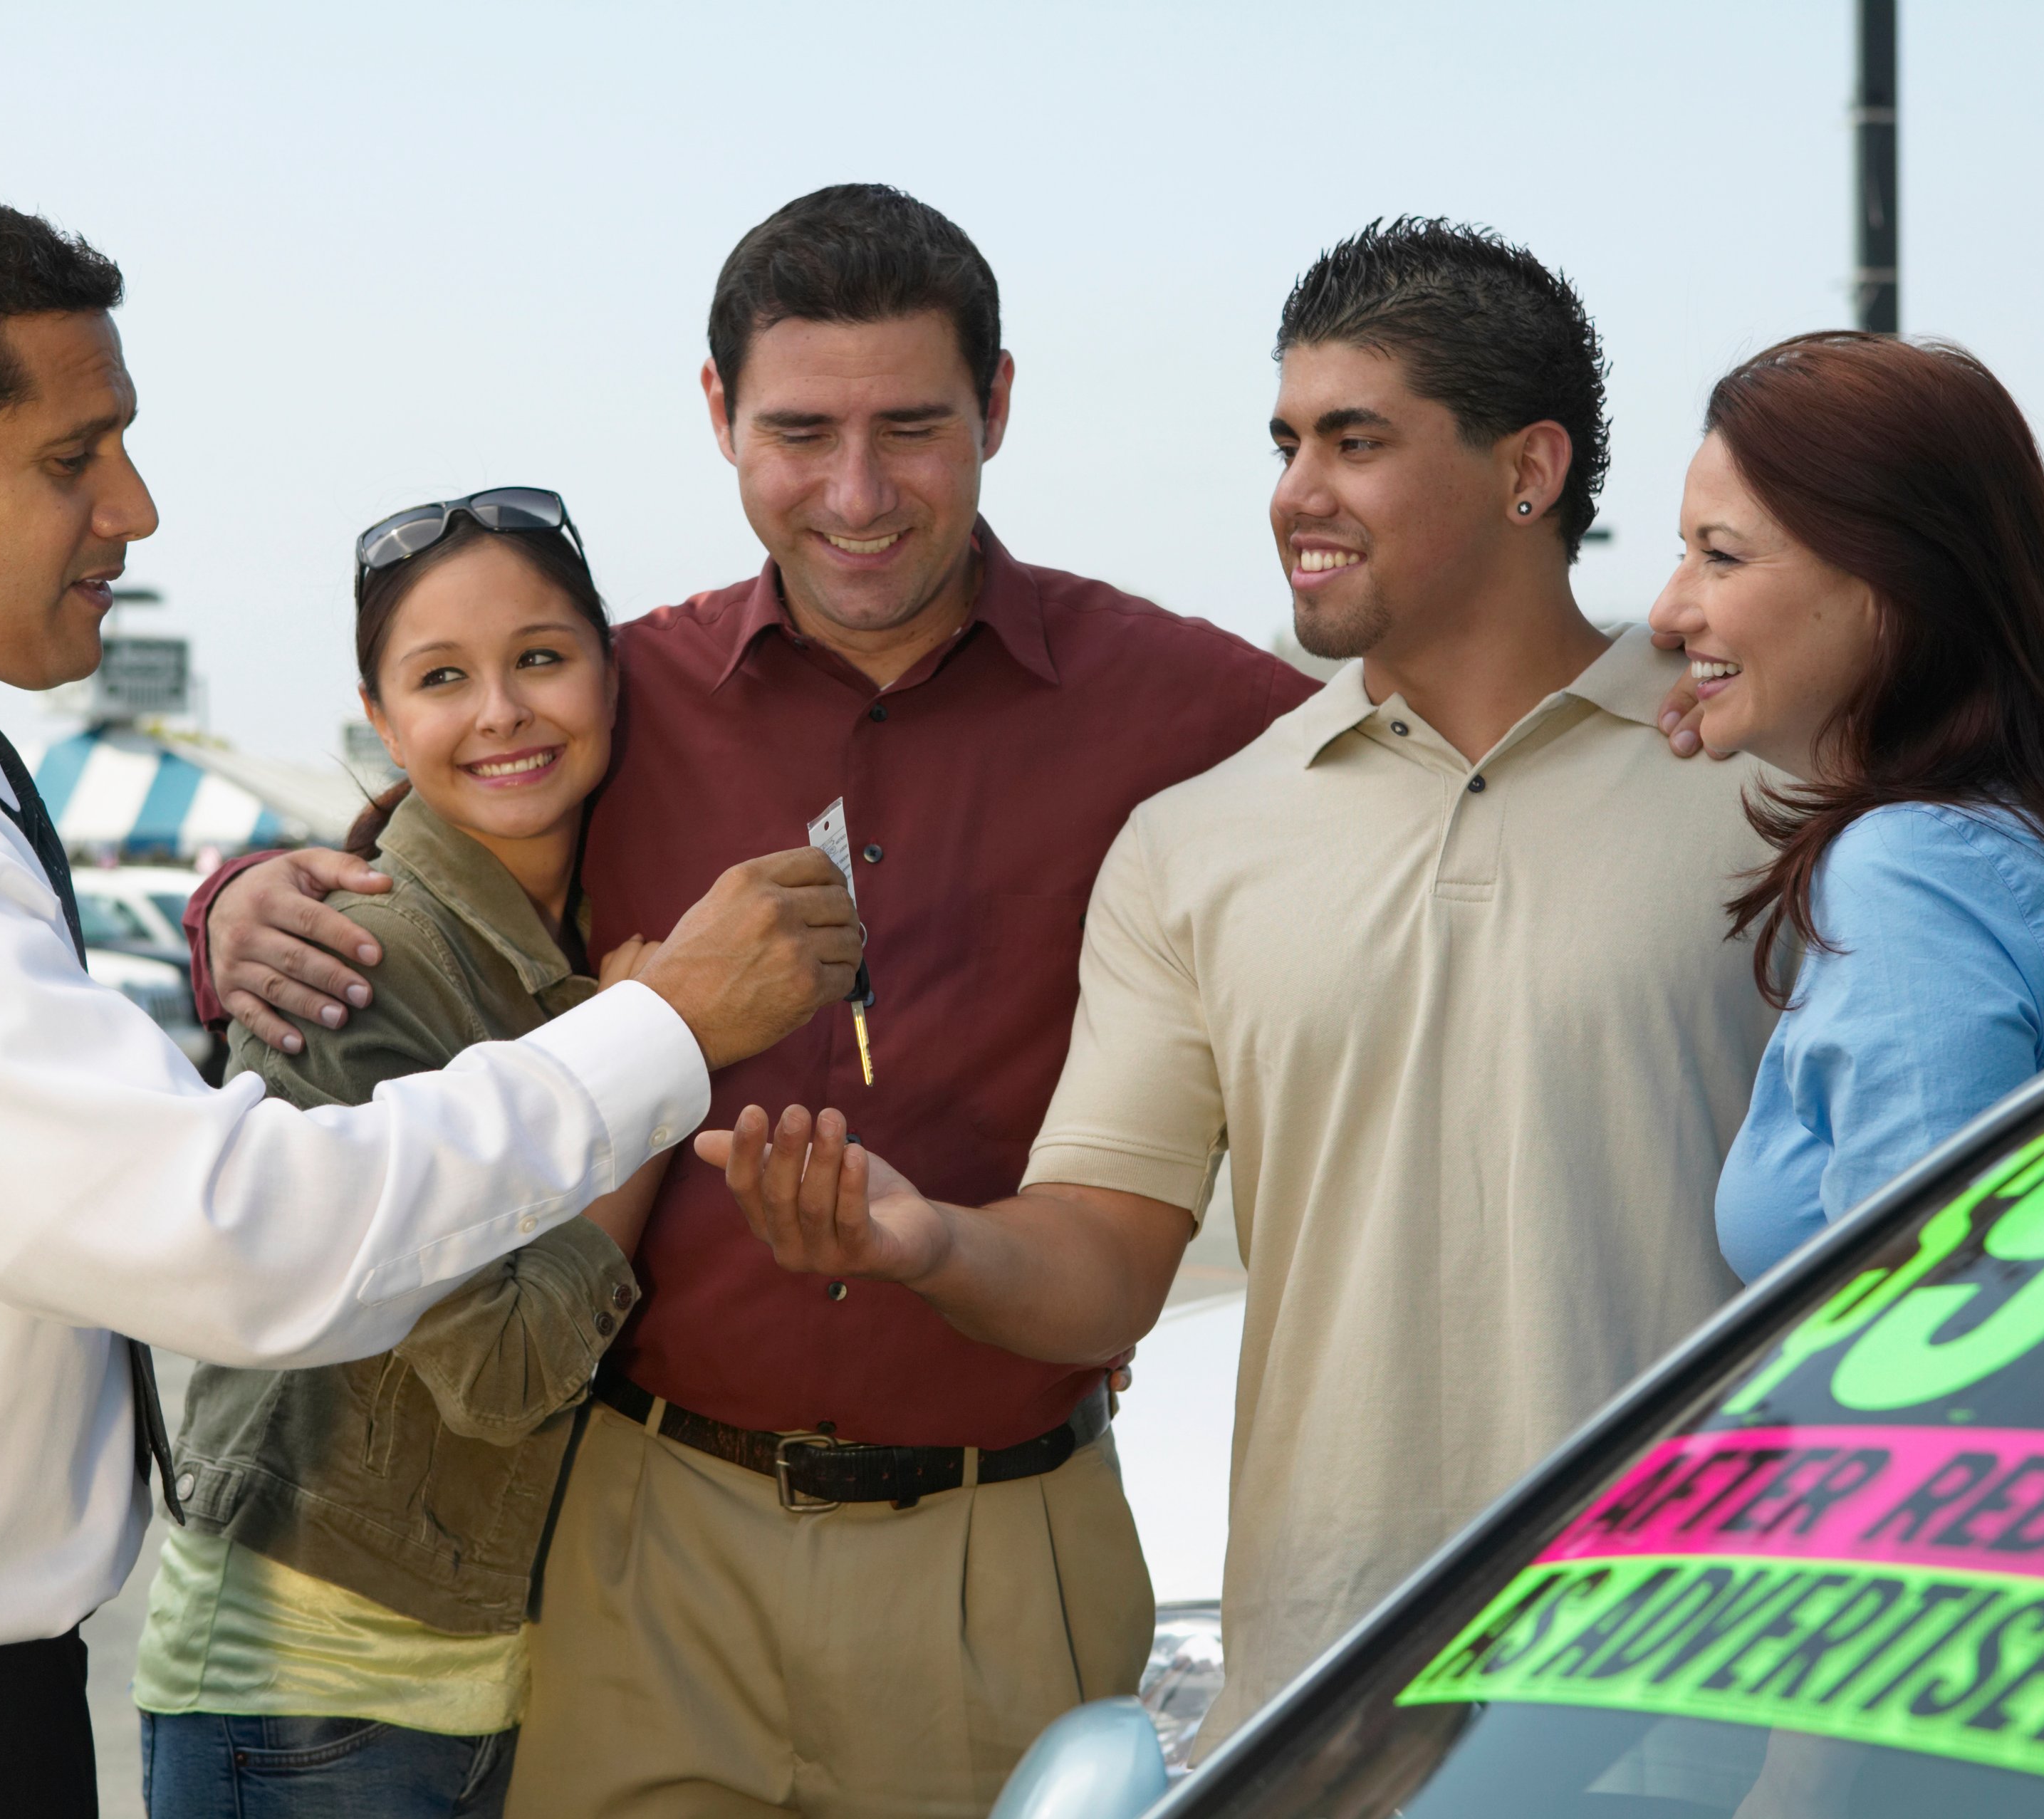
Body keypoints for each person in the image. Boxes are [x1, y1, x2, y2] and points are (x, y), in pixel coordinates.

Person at [0, 186, 855, 1817]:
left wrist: (223, 922)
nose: (137, 508)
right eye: (71, 458)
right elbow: (236, 1237)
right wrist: (661, 1033)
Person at [188, 184, 1319, 1815]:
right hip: (652, 1535)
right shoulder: (612, 697)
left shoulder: (1186, 700)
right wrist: (239, 898)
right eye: (800, 430)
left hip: (1007, 1546)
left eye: (913, 426)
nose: (856, 493)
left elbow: (1410, 792)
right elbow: (420, 867)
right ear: (719, 416)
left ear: (998, 404)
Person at [703, 218, 1783, 1756]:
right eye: (1286, 441)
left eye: (1356, 440)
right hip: (1334, 1717)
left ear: (1528, 470)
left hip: (1708, 1712)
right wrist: (925, 1238)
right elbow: (1103, 1253)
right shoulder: (1198, 837)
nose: (1296, 493)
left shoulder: (1775, 791)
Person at [135, 494, 649, 1814]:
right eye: (441, 679)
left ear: (609, 666)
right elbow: (502, 1366)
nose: (502, 712)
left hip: (480, 1667)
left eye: (541, 657)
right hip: (304, 1691)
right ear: (380, 718)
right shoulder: (351, 959)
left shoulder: (589, 918)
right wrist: (659, 1058)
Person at [1644, 330, 2044, 1284]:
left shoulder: (1910, 871)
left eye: (1719, 556)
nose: (1666, 611)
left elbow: (1918, 1308)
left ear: (1889, 586)